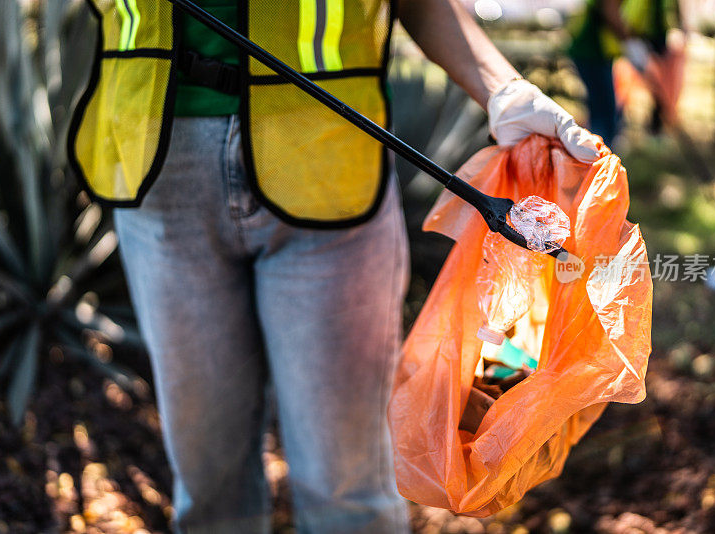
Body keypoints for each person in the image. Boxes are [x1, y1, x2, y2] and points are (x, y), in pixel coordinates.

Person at [67, 1, 598, 532]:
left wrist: (503, 89)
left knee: (348, 491)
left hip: (331, 165)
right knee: (209, 488)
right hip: (154, 162)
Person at [568, 0, 680, 145]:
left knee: (606, 115)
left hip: (599, 52)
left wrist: (634, 40)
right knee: (604, 117)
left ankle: (599, 157)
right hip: (591, 50)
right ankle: (597, 161)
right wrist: (630, 43)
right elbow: (610, 10)